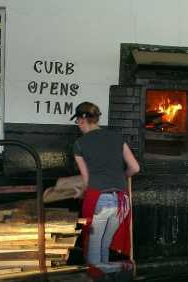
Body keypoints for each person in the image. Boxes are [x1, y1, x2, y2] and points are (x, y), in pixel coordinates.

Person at [70, 101, 140, 265]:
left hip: (100, 200)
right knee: (104, 244)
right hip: (122, 201)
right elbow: (135, 168)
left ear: (82, 120)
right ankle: (104, 276)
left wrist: (78, 192)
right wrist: (123, 176)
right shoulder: (116, 137)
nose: (78, 125)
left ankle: (96, 276)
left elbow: (87, 181)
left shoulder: (79, 144)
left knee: (94, 246)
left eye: (77, 121)